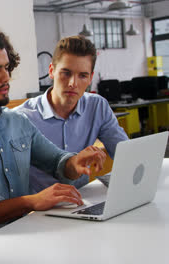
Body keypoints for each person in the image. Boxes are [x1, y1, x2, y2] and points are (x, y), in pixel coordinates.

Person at [0, 28, 106, 237]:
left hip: (28, 231)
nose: (6, 77)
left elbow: (57, 161)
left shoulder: (17, 122)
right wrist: (31, 201)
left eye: (6, 67)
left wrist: (74, 163)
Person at [14, 35, 128, 193]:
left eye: (82, 75)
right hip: (39, 212)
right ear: (51, 71)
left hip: (83, 201)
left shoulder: (97, 106)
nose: (73, 83)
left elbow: (125, 153)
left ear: (91, 78)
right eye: (66, 73)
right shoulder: (21, 118)